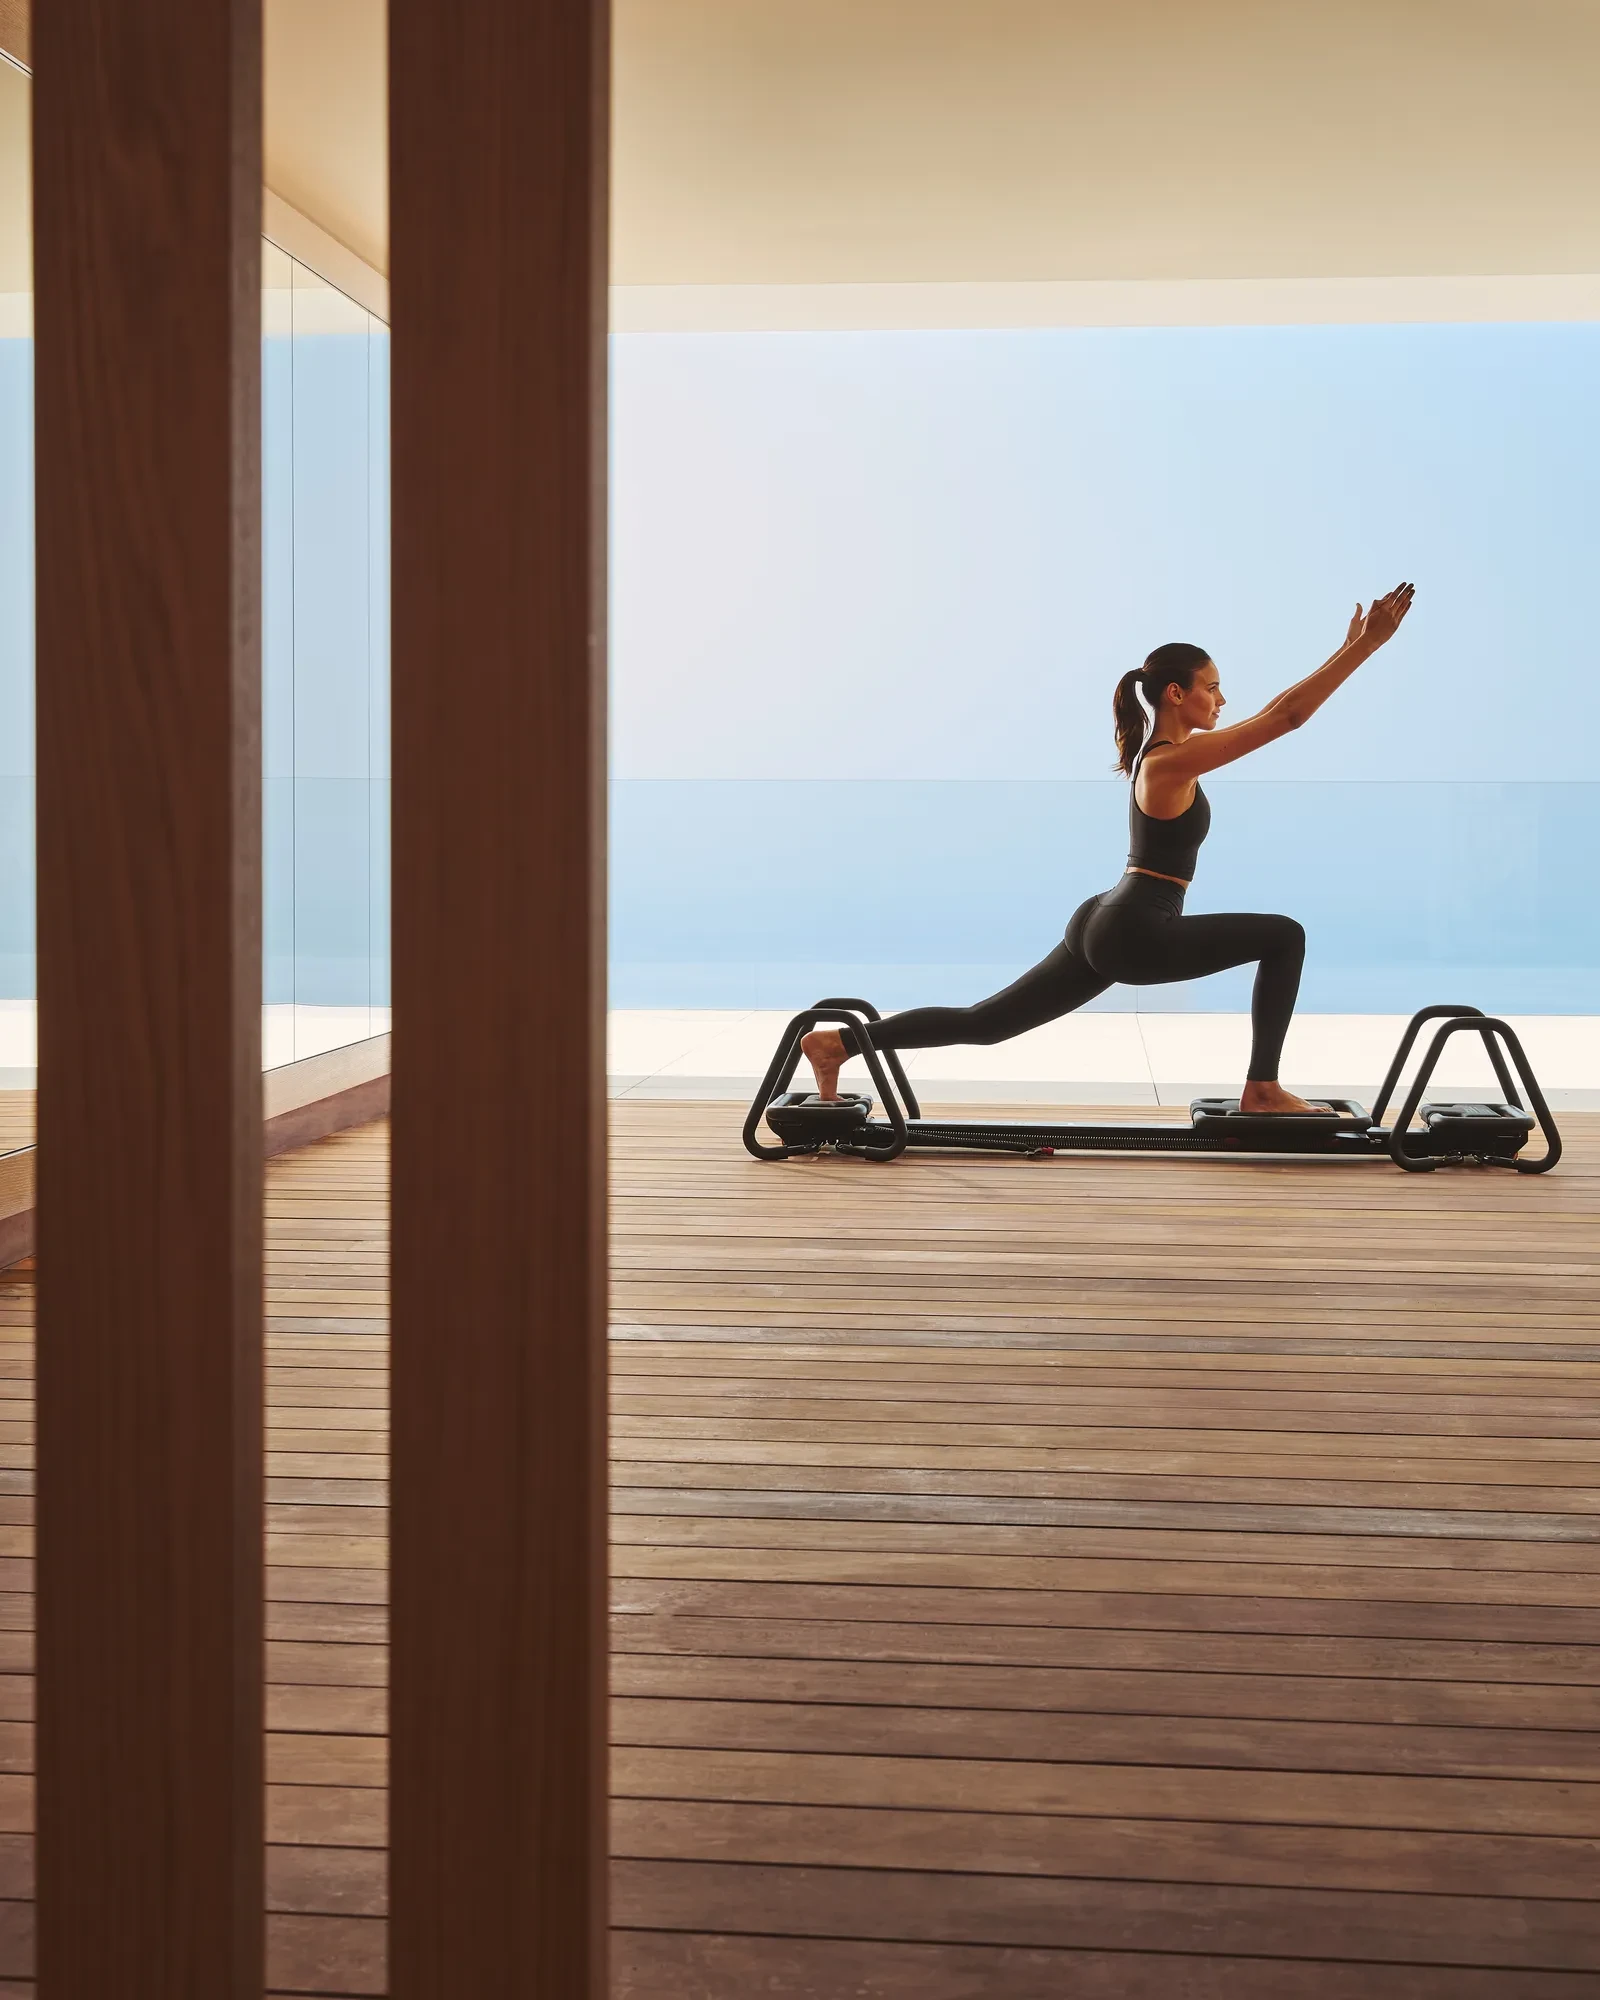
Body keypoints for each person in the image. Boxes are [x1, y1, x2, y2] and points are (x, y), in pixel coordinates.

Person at [802, 583, 1416, 1114]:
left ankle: (837, 1045)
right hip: (1134, 931)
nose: (1222, 700)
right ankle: (1263, 1088)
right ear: (1176, 694)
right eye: (1213, 687)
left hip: (1107, 918)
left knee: (984, 1024)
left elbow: (1278, 715)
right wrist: (1364, 647)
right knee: (1284, 935)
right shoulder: (1170, 762)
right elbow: (1285, 718)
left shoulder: (1164, 760)